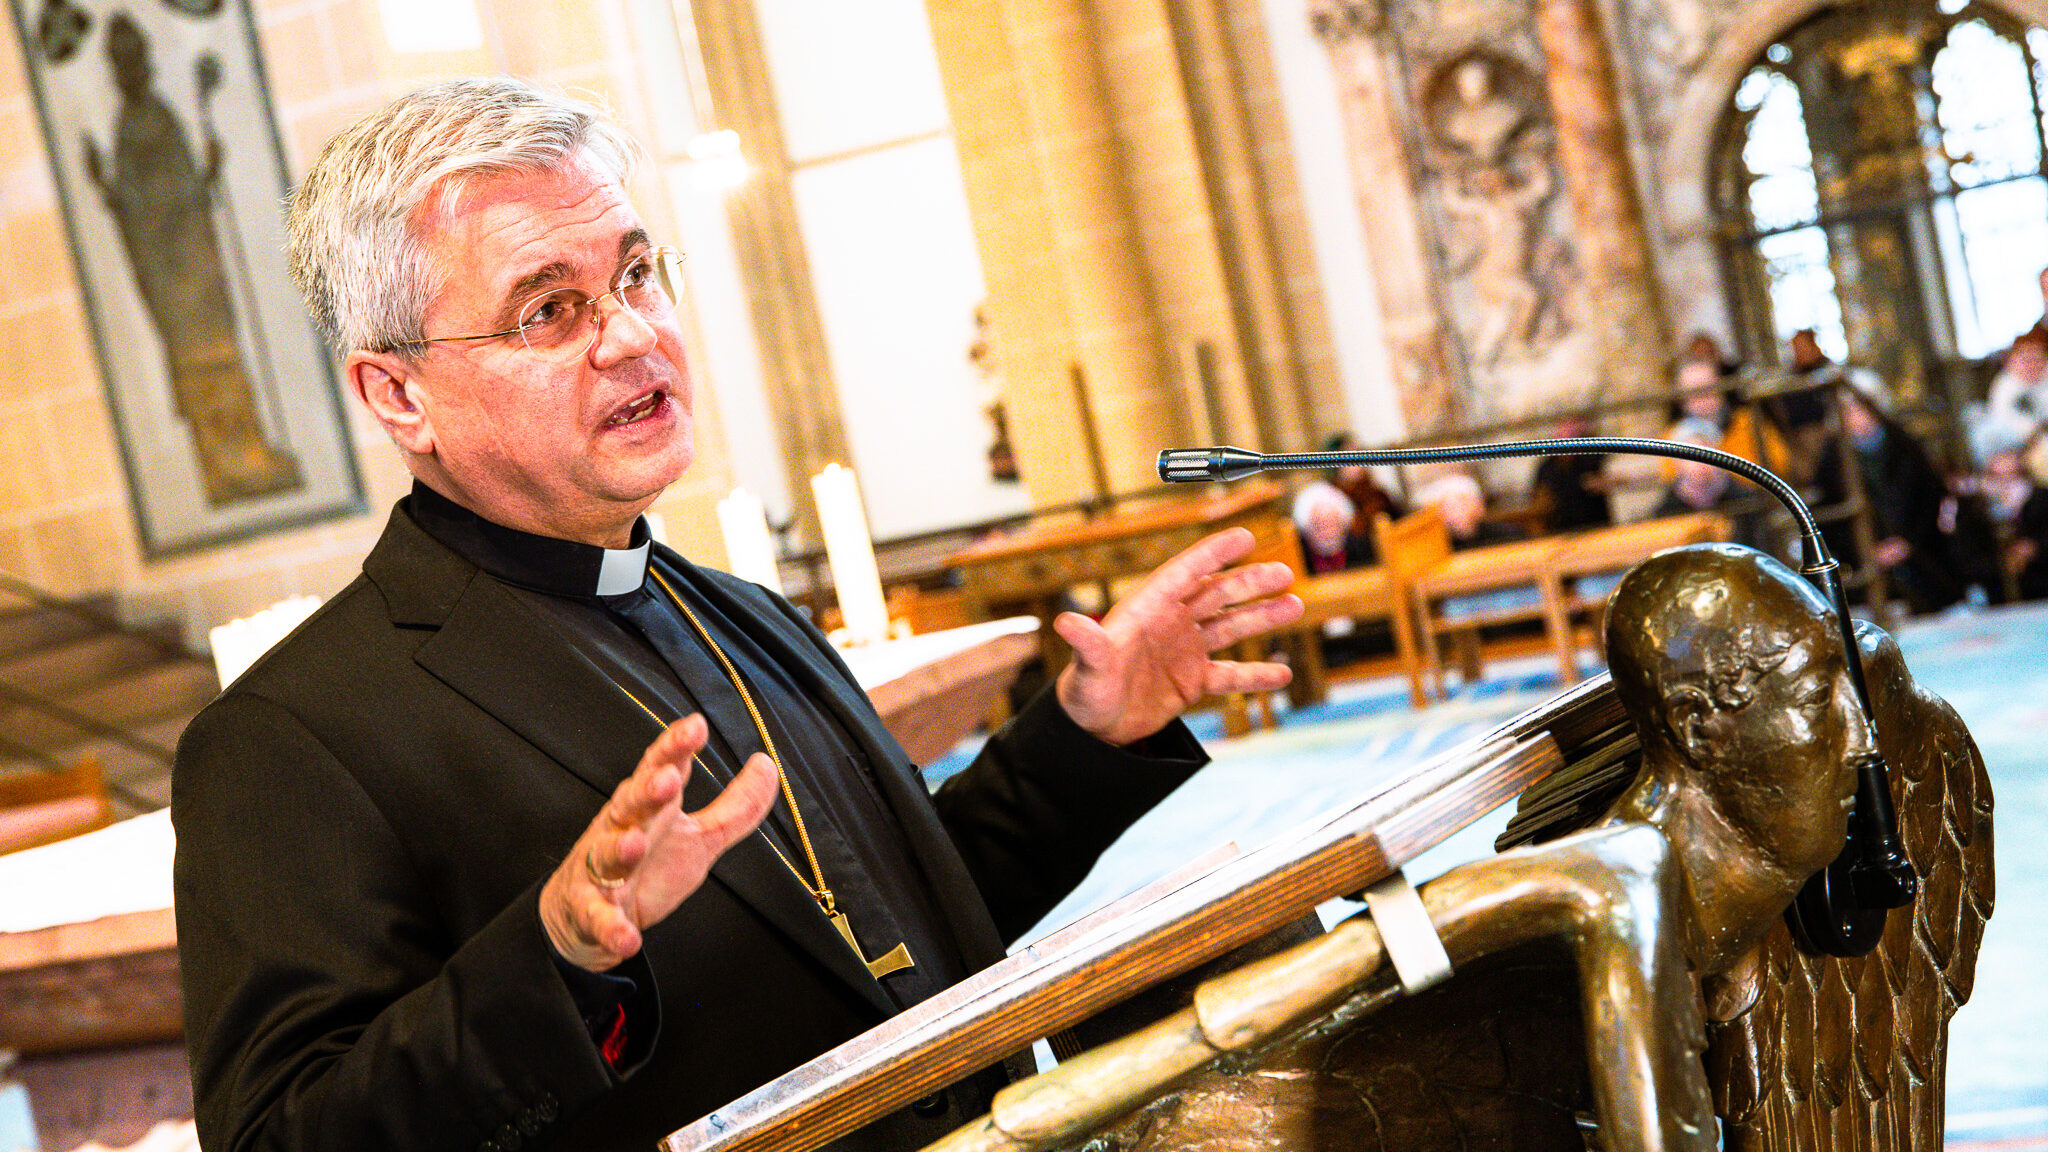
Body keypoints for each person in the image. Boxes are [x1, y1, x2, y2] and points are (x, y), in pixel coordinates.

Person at [171, 79, 1303, 1152]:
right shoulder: (293, 737)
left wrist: (1082, 738)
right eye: (549, 309)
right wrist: (559, 958)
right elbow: (287, 1135)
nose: (630, 335)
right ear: (398, 394)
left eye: (637, 274)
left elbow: (884, 942)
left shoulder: (743, 615)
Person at [1814, 387, 1972, 614]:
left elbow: (1929, 497)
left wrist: (1908, 541)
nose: (1856, 418)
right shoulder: (1832, 461)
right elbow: (1829, 518)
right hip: (1868, 561)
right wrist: (1867, 551)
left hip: (1923, 553)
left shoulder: (1903, 445)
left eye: (1859, 410)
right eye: (1847, 413)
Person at [1970, 329, 2048, 465]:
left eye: (2037, 358)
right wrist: (2031, 432)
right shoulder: (2005, 384)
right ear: (2011, 362)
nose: (2031, 365)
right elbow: (2002, 415)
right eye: (2024, 360)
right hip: (2014, 439)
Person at [1527, 414, 1611, 532]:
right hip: (1560, 530)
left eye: (1573, 432)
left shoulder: (1593, 456)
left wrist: (1599, 482)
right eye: (1564, 431)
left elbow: (1611, 479)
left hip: (1596, 526)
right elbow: (1537, 496)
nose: (1568, 436)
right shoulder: (1547, 466)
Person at [1293, 481, 1370, 573]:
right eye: (1319, 527)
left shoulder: (1362, 549)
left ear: (1342, 524)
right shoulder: (1299, 556)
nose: (1327, 534)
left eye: (1331, 525)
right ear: (1308, 530)